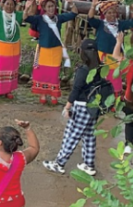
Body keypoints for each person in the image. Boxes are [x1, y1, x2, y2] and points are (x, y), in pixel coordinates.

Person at [43, 40, 110, 177]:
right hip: (94, 106)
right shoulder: (101, 67)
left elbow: (76, 90)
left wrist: (67, 107)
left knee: (72, 135)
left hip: (82, 106)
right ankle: (89, 164)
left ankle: (59, 164)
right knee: (89, 135)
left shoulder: (83, 69)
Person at [24, 0, 78, 105]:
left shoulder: (59, 19)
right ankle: (43, 94)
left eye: (52, 6)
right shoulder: (39, 19)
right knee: (42, 73)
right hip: (43, 50)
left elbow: (74, 13)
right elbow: (25, 18)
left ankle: (54, 94)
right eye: (48, 6)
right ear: (43, 8)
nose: (51, 8)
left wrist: (71, 2)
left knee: (53, 73)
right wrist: (27, 7)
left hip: (55, 51)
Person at [87, 0, 133, 95]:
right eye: (109, 13)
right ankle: (104, 95)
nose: (112, 15)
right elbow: (90, 19)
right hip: (104, 56)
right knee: (105, 76)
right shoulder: (100, 24)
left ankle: (116, 96)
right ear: (104, 14)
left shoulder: (120, 24)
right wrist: (93, 7)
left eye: (114, 12)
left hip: (116, 57)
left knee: (115, 76)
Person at [0, 0, 26, 99]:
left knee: (11, 69)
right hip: (0, 46)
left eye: (11, 4)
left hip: (13, 47)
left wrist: (31, 2)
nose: (9, 6)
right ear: (3, 5)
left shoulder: (18, 15)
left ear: (15, 7)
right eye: (7, 4)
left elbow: (29, 13)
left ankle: (8, 90)